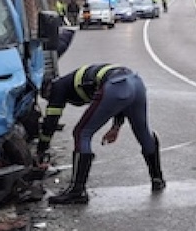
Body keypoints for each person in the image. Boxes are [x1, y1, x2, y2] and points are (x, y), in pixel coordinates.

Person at [36, 64, 164, 204]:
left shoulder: (57, 88)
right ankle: (157, 179)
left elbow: (50, 123)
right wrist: (116, 127)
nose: (49, 100)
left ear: (47, 89)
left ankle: (77, 191)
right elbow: (122, 100)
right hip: (135, 83)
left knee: (81, 132)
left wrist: (41, 150)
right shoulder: (70, 80)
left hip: (116, 86)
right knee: (142, 132)